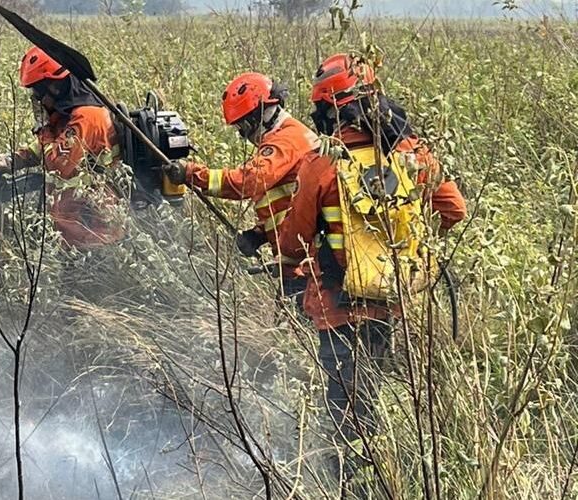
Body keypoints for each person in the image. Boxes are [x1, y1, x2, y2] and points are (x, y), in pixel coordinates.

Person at [273, 53, 467, 474]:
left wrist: (286, 264)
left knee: (346, 407)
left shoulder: (322, 165)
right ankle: (383, 470)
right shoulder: (412, 155)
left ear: (330, 109)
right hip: (390, 299)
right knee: (373, 387)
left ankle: (350, 478)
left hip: (337, 309)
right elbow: (453, 210)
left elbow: (293, 240)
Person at [164, 73, 320, 305]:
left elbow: (249, 181)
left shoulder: (286, 140)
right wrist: (259, 235)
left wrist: (192, 174)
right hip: (301, 263)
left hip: (308, 268)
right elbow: (289, 202)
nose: (243, 134)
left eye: (244, 126)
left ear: (262, 114)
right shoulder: (289, 136)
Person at [0, 46, 125, 248]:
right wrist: (7, 162)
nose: (36, 99)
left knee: (93, 278)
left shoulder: (86, 117)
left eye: (38, 92)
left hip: (94, 231)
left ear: (54, 87)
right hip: (72, 231)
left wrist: (43, 128)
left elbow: (59, 164)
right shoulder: (65, 115)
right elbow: (41, 150)